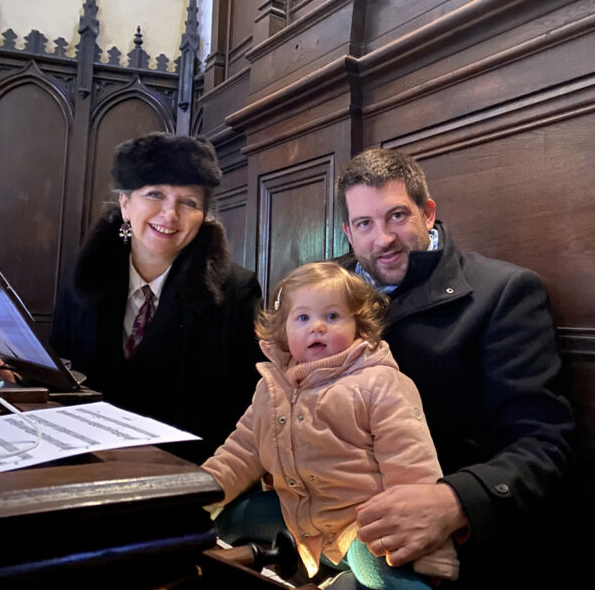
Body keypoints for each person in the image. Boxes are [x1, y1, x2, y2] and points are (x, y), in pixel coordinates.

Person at [334, 148, 575, 587]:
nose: (383, 239)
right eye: (365, 224)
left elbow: (542, 444)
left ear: (428, 214)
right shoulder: (318, 291)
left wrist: (453, 502)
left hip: (444, 553)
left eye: (397, 216)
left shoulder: (502, 292)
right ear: (349, 232)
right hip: (328, 522)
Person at [0, 132, 263, 464]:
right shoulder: (86, 278)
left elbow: (248, 405)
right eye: (155, 194)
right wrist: (18, 376)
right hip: (86, 463)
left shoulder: (236, 290)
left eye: (188, 202)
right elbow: (67, 366)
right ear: (125, 203)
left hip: (184, 474)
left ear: (202, 216)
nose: (170, 214)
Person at [202, 261, 460, 590]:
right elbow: (239, 452)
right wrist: (192, 496)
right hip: (297, 517)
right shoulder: (271, 389)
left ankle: (355, 580)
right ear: (283, 331)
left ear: (359, 325)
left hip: (361, 526)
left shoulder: (379, 383)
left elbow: (411, 466)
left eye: (333, 316)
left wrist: (430, 550)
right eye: (303, 318)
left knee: (384, 573)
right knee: (223, 524)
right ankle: (317, 576)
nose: (318, 327)